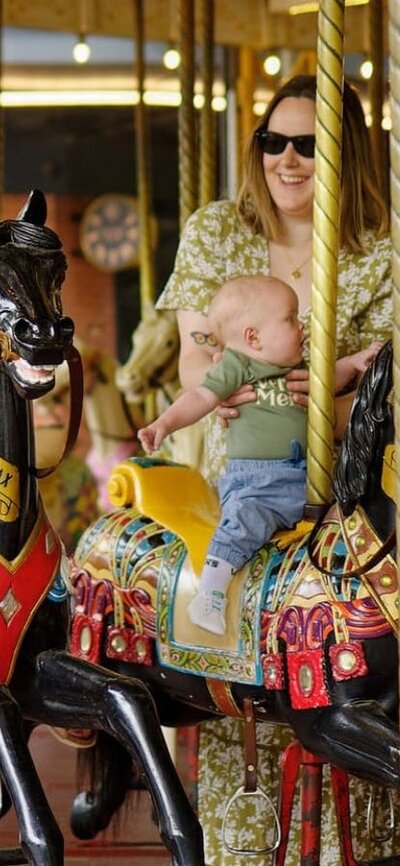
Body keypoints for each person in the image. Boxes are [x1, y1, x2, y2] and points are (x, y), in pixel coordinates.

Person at [156, 74, 398, 865]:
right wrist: (241, 378)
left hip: (348, 481)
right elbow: (204, 352)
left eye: (310, 144)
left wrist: (342, 377)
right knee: (239, 660)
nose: (288, 161)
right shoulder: (216, 231)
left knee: (349, 670)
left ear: (348, 154)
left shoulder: (381, 249)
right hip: (246, 465)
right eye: (273, 141)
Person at [141, 274, 381, 636]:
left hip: (308, 478)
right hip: (257, 481)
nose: (301, 326)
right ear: (254, 337)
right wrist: (164, 425)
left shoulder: (293, 366)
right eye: (290, 318)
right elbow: (201, 397)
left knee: (347, 522)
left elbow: (327, 379)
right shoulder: (237, 366)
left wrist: (356, 362)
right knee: (243, 522)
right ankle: (210, 592)